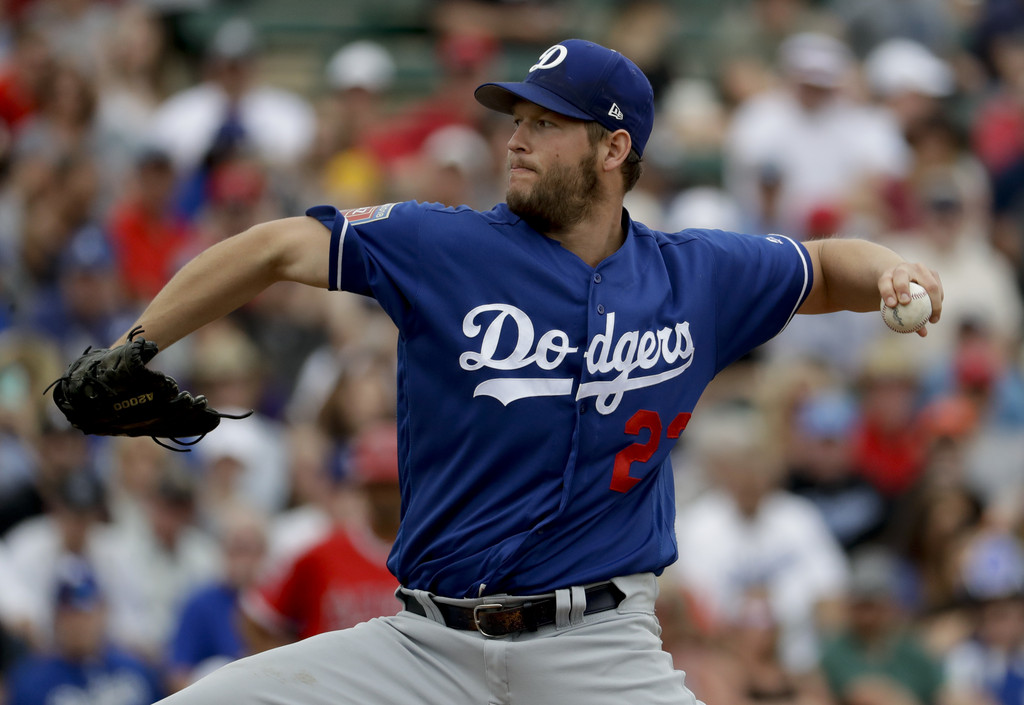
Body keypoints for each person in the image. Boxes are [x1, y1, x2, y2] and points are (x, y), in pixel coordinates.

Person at [101, 38, 942, 705]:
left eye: (545, 122)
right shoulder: (445, 244)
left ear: (614, 146)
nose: (515, 138)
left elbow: (824, 266)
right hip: (424, 647)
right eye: (517, 118)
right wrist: (133, 347)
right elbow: (275, 247)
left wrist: (892, 270)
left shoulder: (695, 276)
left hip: (600, 650)